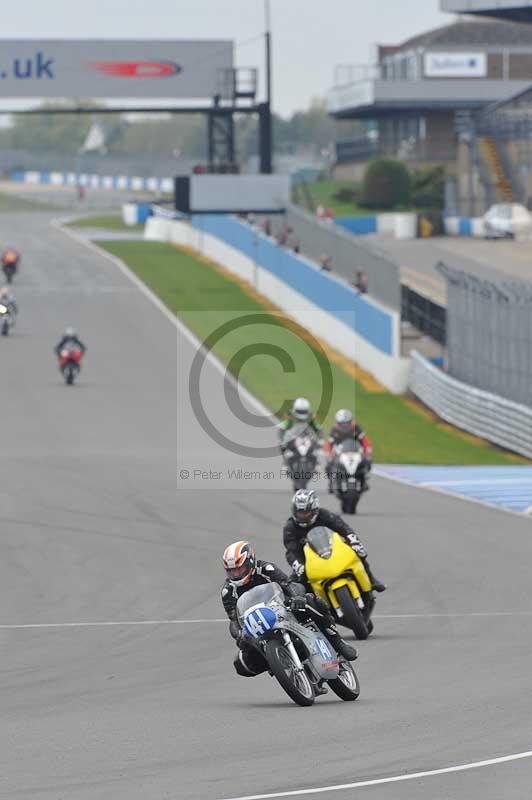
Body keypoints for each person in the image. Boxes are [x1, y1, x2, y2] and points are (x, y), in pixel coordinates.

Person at [221, 540, 357, 677]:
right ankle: (278, 664)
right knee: (242, 663)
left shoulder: (266, 569)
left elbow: (287, 584)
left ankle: (337, 641)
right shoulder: (228, 591)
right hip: (259, 624)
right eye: (231, 571)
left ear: (250, 562)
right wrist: (239, 634)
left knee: (313, 601)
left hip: (283, 606)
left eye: (239, 568)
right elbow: (234, 618)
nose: (236, 574)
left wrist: (295, 598)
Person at [283, 489, 386, 593]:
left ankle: (371, 580)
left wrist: (354, 542)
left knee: (359, 552)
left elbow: (343, 528)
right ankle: (309, 602)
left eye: (306, 512)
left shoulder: (324, 515)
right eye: (300, 512)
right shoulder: (290, 527)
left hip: (331, 546)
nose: (303, 516)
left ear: (315, 509)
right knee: (296, 581)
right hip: (307, 557)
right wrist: (298, 564)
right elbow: (292, 550)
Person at [324, 409, 373, 493]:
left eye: (346, 423)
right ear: (338, 422)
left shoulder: (356, 427)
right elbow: (329, 443)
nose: (344, 426)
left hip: (355, 451)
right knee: (329, 464)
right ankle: (331, 482)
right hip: (340, 452)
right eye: (342, 424)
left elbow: (364, 440)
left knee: (367, 460)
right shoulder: (334, 429)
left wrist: (367, 450)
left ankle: (364, 479)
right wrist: (328, 453)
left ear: (350, 421)